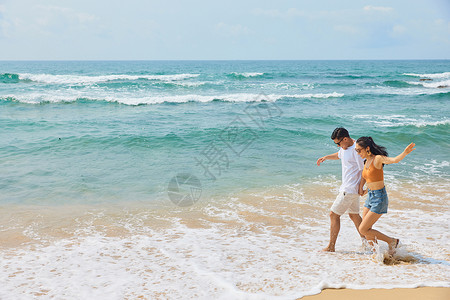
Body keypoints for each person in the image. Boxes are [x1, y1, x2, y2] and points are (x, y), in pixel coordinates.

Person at [355, 137, 415, 253]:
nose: (358, 153)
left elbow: (394, 160)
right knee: (367, 230)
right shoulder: (366, 161)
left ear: (367, 148)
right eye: (356, 150)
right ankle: (377, 255)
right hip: (370, 197)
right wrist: (361, 188)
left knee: (362, 229)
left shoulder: (377, 159)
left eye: (359, 150)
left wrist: (405, 153)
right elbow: (364, 176)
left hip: (379, 198)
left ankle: (392, 241)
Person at [317, 128, 365, 252]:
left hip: (350, 189)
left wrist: (361, 188)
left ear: (345, 139)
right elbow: (339, 155)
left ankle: (331, 246)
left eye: (338, 143)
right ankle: (368, 242)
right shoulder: (344, 148)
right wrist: (325, 157)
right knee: (354, 215)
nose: (338, 146)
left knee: (333, 214)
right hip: (349, 189)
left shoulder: (356, 149)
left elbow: (364, 170)